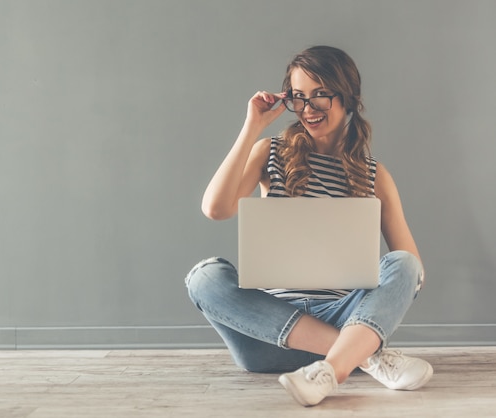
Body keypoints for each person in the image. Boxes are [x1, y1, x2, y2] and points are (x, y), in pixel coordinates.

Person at [184, 45, 433, 407]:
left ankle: (329, 370)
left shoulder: (374, 176)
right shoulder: (270, 153)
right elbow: (215, 208)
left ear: (348, 98)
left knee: (405, 264)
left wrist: (395, 281)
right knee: (204, 277)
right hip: (269, 336)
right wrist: (253, 125)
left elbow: (413, 270)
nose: (307, 109)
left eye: (320, 95)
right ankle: (368, 358)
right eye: (298, 98)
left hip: (345, 317)